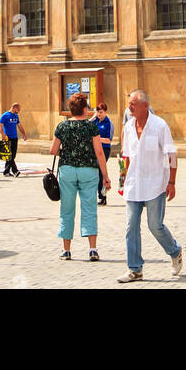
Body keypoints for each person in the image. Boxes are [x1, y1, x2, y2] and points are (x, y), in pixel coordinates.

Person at [118, 90, 183, 283]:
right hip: (133, 184)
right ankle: (135, 269)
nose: (129, 107)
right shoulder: (129, 126)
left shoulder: (160, 126)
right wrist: (123, 181)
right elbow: (127, 156)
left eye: (133, 104)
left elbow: (171, 154)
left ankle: (175, 251)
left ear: (145, 106)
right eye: (129, 104)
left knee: (155, 226)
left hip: (155, 183)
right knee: (131, 227)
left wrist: (171, 182)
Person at [52, 93, 111, 261]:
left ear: (70, 110)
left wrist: (67, 152)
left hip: (68, 171)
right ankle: (92, 249)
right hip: (88, 171)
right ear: (85, 109)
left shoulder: (62, 127)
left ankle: (66, 250)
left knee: (67, 209)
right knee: (89, 209)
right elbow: (99, 152)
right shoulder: (91, 127)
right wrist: (105, 176)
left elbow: (53, 150)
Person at [0, 101, 27, 177]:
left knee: (12, 155)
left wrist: (24, 134)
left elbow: (19, 125)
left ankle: (6, 171)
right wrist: (3, 134)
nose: (19, 111)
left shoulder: (16, 116)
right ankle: (15, 171)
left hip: (15, 137)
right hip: (8, 137)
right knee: (10, 155)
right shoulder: (5, 115)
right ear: (14, 107)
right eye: (18, 109)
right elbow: (0, 126)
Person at [93, 103, 113, 204]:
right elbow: (86, 125)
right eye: (98, 112)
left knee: (100, 171)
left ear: (105, 112)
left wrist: (97, 139)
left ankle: (103, 196)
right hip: (95, 149)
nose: (99, 114)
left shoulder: (108, 123)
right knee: (97, 172)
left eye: (101, 112)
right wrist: (93, 117)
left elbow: (108, 140)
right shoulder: (95, 120)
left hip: (104, 149)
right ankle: (101, 196)